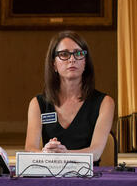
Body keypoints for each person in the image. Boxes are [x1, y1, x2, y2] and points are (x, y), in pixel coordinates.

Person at [25, 31, 115, 165]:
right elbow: (30, 149)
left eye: (78, 54)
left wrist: (64, 154)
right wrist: (46, 154)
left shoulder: (105, 103)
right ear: (53, 64)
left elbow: (95, 152)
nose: (72, 59)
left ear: (85, 62)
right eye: (64, 54)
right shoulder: (38, 104)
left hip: (89, 179)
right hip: (50, 176)